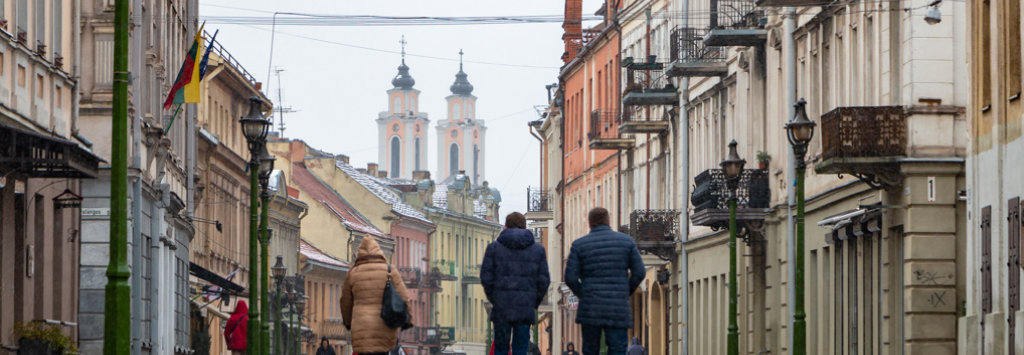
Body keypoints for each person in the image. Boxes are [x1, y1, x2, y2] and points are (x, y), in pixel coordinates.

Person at [564, 207, 646, 355]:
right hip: (617, 307)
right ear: (609, 221)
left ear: (589, 224)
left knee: (591, 349)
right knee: (618, 349)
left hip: (591, 309)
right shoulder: (626, 242)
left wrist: (584, 293)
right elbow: (639, 272)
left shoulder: (579, 245)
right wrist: (625, 291)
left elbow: (570, 277)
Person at [481, 212, 551, 355]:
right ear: (525, 227)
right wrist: (533, 301)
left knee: (500, 349)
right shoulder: (537, 250)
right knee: (520, 349)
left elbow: (486, 277)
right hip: (524, 309)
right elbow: (543, 280)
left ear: (505, 226)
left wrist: (495, 298)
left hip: (502, 308)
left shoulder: (493, 249)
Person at [340, 237, 414, 355]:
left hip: (361, 330)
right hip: (384, 327)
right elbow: (403, 296)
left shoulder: (353, 273)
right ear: (379, 252)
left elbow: (346, 303)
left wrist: (347, 322)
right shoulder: (390, 270)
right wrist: (408, 320)